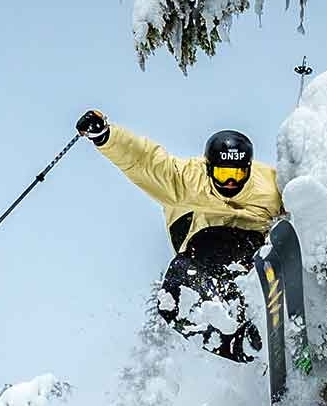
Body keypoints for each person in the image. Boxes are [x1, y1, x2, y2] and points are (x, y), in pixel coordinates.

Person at [76, 109, 284, 363]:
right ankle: (240, 343)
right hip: (204, 259)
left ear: (248, 169)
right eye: (222, 174)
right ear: (209, 168)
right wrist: (106, 136)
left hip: (252, 245)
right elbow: (144, 160)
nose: (230, 182)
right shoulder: (186, 178)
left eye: (238, 174)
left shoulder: (270, 184)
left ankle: (256, 298)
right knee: (171, 300)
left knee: (216, 245)